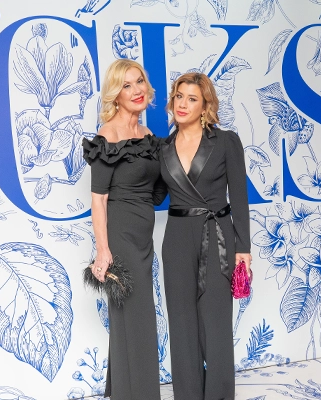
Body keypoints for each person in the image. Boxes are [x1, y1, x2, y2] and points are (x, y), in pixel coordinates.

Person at [159, 72, 252, 399]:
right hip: (177, 240)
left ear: (205, 106)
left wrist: (244, 249)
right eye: (178, 96)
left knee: (215, 326)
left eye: (192, 98)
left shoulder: (226, 141)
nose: (182, 104)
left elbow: (239, 196)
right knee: (182, 326)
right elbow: (154, 195)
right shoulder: (162, 147)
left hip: (218, 238)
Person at [82, 59, 166, 399]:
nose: (137, 90)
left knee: (128, 318)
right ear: (116, 95)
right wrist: (104, 250)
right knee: (140, 318)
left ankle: (123, 391)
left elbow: (159, 189)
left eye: (140, 82)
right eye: (127, 85)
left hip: (145, 237)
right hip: (121, 238)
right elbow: (98, 201)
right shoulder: (107, 137)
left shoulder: (148, 137)